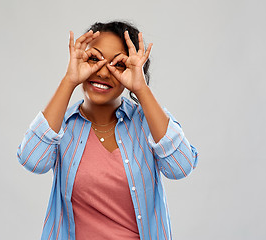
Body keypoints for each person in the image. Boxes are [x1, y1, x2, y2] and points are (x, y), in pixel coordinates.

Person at [17, 21, 198, 240]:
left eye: (118, 64)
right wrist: (69, 80)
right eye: (94, 59)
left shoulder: (146, 122)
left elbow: (181, 167)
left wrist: (141, 89)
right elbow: (32, 161)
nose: (103, 72)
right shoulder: (62, 126)